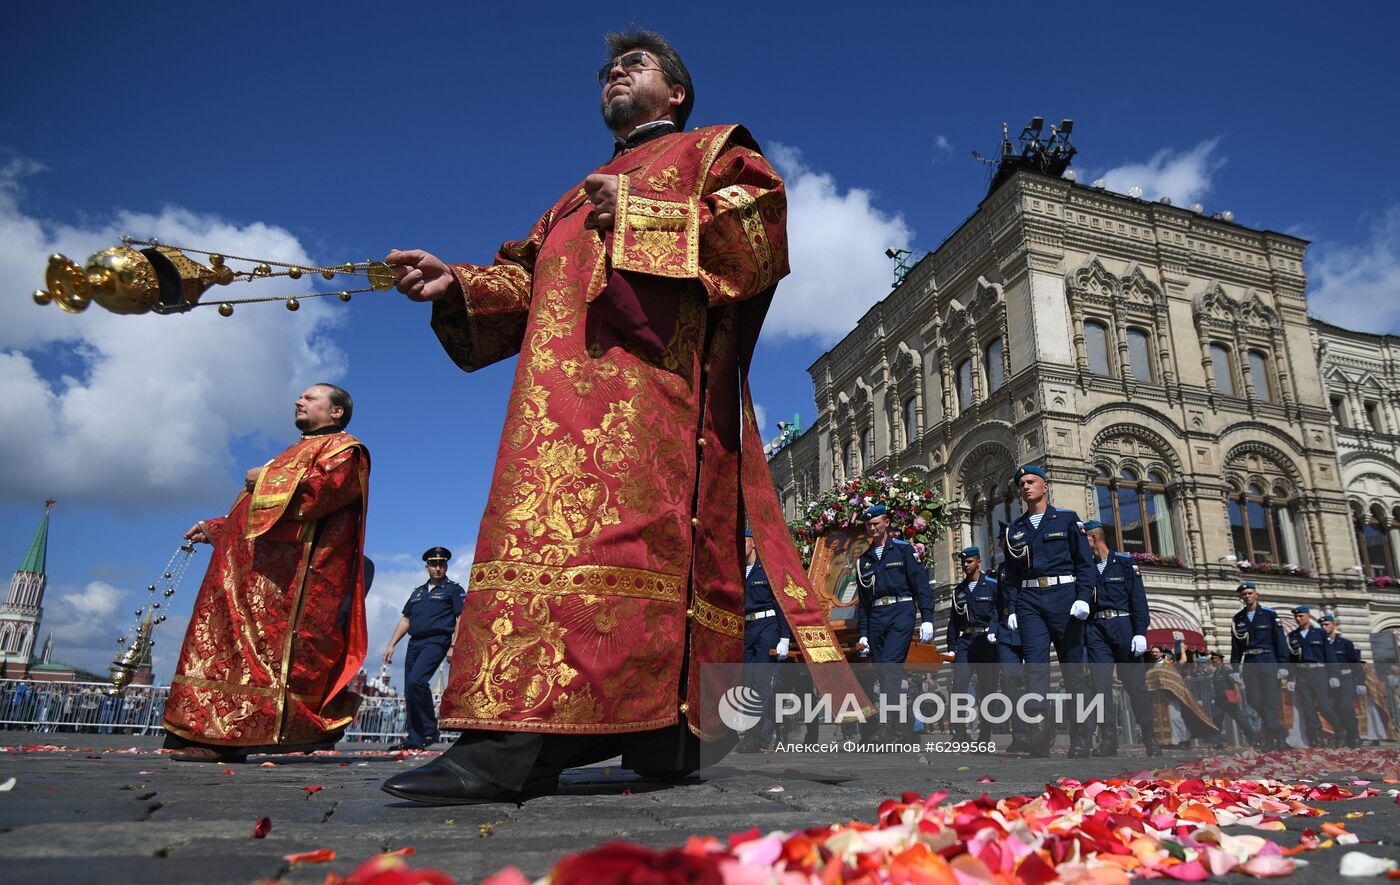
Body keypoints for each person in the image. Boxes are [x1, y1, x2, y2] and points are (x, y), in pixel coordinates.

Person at [381, 30, 861, 805]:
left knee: (615, 548)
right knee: (538, 539)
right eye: (608, 69)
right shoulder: (574, 193)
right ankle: (643, 738)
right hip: (548, 407)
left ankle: (524, 745)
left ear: (676, 93)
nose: (613, 74)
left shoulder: (712, 151)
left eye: (633, 66)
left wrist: (640, 213)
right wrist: (460, 282)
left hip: (647, 402)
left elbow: (755, 234)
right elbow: (522, 279)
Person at [162, 384, 369, 763]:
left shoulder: (345, 450)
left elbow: (320, 495)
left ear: (336, 412)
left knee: (263, 656)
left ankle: (237, 734)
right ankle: (202, 728)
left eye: (310, 397)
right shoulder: (293, 452)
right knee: (221, 644)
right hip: (244, 573)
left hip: (289, 581)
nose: (298, 401)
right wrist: (218, 526)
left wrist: (268, 474)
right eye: (300, 397)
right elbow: (257, 516)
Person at [1001, 465, 1094, 757]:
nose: (1025, 486)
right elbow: (1013, 573)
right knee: (1035, 667)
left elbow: (1085, 564)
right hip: (1029, 599)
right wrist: (1013, 607)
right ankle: (1039, 732)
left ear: (1045, 486)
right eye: (1021, 484)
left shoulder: (1066, 519)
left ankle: (1081, 736)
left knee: (1073, 669)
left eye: (1031, 481)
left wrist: (1083, 597)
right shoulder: (1015, 529)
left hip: (1064, 596)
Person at [854, 503, 934, 737]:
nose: (872, 528)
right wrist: (863, 633)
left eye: (876, 523)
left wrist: (927, 617)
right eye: (868, 525)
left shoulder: (903, 550)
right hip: (877, 616)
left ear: (887, 523)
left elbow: (920, 585)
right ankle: (904, 726)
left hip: (902, 611)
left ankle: (888, 724)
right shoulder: (864, 561)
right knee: (884, 670)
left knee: (889, 665)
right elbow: (864, 602)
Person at [1081, 522, 1159, 757]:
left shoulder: (1125, 564)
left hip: (1123, 627)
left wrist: (1140, 632)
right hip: (1096, 630)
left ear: (1094, 539)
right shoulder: (1086, 569)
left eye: (1083, 540)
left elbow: (1138, 600)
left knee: (1136, 687)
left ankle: (1150, 738)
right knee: (1100, 687)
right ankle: (1108, 740)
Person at [383, 547, 467, 751]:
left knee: (417, 681)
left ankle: (430, 728)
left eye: (441, 564)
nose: (438, 568)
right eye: (434, 565)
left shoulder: (453, 590)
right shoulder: (417, 592)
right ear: (427, 567)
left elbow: (460, 618)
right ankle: (414, 737)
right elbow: (406, 619)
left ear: (446, 566)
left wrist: (454, 645)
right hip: (415, 642)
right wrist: (391, 644)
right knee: (409, 689)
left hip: (437, 640)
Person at [737, 528, 790, 753]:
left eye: (744, 542)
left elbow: (781, 604)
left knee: (760, 683)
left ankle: (756, 736)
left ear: (754, 543)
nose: (740, 548)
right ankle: (753, 733)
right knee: (747, 683)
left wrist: (784, 638)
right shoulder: (738, 572)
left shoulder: (766, 570)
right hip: (746, 628)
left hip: (767, 627)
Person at [944, 546, 998, 742]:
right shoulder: (959, 590)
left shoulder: (992, 585)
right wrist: (951, 647)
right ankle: (960, 734)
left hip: (986, 642)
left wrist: (994, 631)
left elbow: (998, 612)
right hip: (965, 642)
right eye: (963, 562)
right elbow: (953, 621)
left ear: (978, 562)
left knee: (987, 690)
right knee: (959, 686)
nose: (965, 565)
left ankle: (985, 735)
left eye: (969, 562)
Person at [1229, 582, 1290, 751]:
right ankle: (1279, 730)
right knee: (1255, 700)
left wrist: (1283, 664)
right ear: (1240, 598)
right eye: (1243, 594)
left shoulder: (1270, 615)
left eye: (1249, 593)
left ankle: (1270, 738)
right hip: (1250, 661)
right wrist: (1235, 669)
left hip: (1268, 658)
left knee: (1270, 700)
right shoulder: (1238, 619)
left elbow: (1280, 641)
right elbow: (1236, 645)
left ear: (1256, 594)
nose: (1247, 596)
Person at [1286, 605, 1342, 747]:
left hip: (1319, 673)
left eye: (1301, 616)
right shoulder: (1292, 636)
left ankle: (1340, 731)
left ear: (1308, 615)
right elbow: (1291, 660)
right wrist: (1291, 678)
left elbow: (1330, 655)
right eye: (1296, 617)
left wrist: (1334, 675)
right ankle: (1316, 738)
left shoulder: (1320, 633)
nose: (1298, 619)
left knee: (1325, 707)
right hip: (1302, 675)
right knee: (1308, 709)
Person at [1319, 614, 1363, 748]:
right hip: (1327, 680)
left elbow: (1355, 663)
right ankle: (1340, 732)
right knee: (1327, 709)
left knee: (1345, 707)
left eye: (1327, 624)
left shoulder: (1345, 643)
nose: (1324, 627)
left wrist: (1361, 681)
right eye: (1321, 625)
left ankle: (1354, 736)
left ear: (1333, 625)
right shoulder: (1319, 644)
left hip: (1345, 679)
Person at [1207, 651, 1258, 747]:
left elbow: (1234, 683)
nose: (1212, 661)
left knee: (1240, 720)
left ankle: (1254, 739)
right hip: (1219, 700)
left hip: (1229, 697)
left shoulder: (1227, 671)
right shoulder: (1216, 673)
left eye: (1214, 659)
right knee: (1215, 720)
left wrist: (1238, 695)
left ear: (1219, 660)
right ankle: (1217, 743)